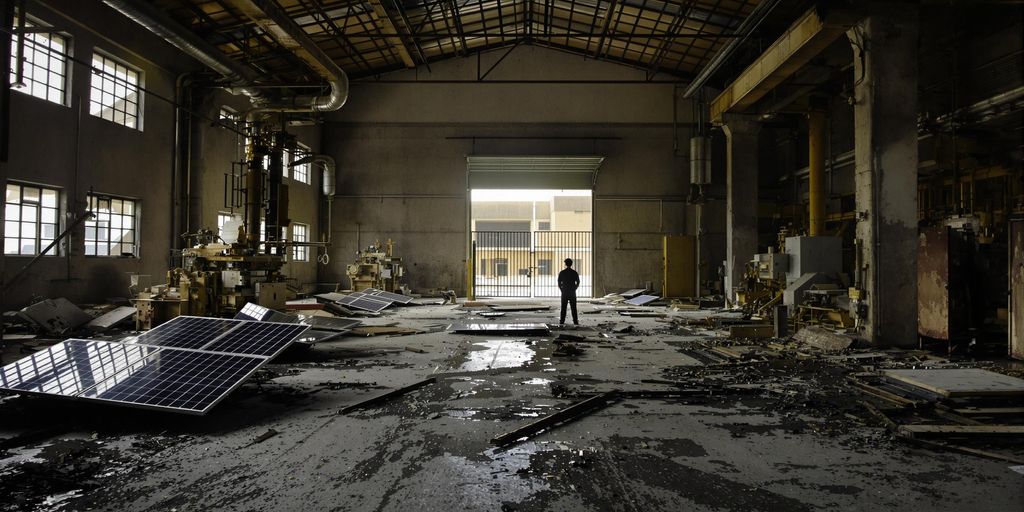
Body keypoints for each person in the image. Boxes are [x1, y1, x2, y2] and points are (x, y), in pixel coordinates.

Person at [557, 258, 580, 325]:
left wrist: (562, 290)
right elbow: (578, 282)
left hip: (565, 292)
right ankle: (575, 321)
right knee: (573, 307)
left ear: (565, 264)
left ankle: (562, 321)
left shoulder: (562, 272)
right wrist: (575, 288)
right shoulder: (574, 272)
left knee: (563, 307)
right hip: (572, 292)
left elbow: (559, 282)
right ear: (571, 264)